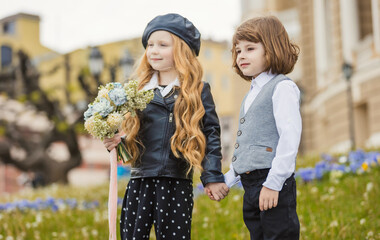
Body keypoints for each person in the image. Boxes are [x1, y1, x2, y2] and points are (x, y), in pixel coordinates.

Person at [103, 13, 229, 240]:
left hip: (176, 183)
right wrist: (116, 143)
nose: (153, 50)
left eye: (162, 45)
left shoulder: (197, 91)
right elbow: (134, 134)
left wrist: (212, 176)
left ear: (182, 51)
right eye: (150, 44)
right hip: (140, 181)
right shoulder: (137, 91)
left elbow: (210, 134)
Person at [223, 15, 302, 239]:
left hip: (272, 182)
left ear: (271, 48)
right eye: (238, 50)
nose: (241, 56)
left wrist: (274, 183)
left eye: (250, 48)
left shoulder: (282, 87)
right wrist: (227, 179)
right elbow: (250, 147)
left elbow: (289, 137)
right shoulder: (251, 94)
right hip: (251, 186)